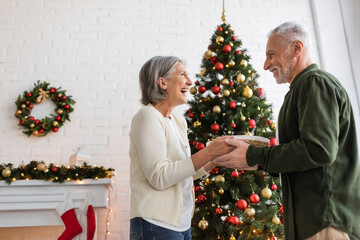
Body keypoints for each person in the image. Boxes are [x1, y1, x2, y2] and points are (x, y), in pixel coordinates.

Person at [213, 22, 360, 240]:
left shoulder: (314, 83)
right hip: (315, 222)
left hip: (325, 221)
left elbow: (318, 150)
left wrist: (254, 155)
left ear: (296, 49)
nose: (265, 64)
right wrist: (256, 158)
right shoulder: (302, 87)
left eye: (271, 54)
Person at [129, 56, 233, 240]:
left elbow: (183, 171)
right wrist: (208, 151)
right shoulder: (148, 117)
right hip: (156, 225)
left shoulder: (177, 121)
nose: (190, 81)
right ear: (162, 82)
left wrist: (214, 158)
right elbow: (159, 177)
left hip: (182, 225)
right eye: (183, 74)